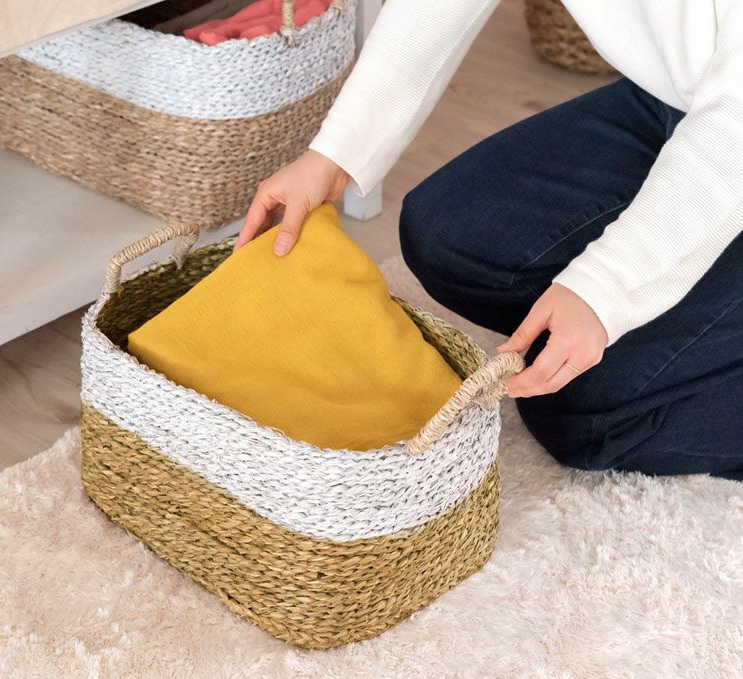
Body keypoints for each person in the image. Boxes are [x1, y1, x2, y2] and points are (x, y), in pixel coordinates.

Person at [233, 0, 743, 480]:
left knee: (584, 416)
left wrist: (605, 288)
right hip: (678, 95)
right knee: (444, 233)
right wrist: (335, 154)